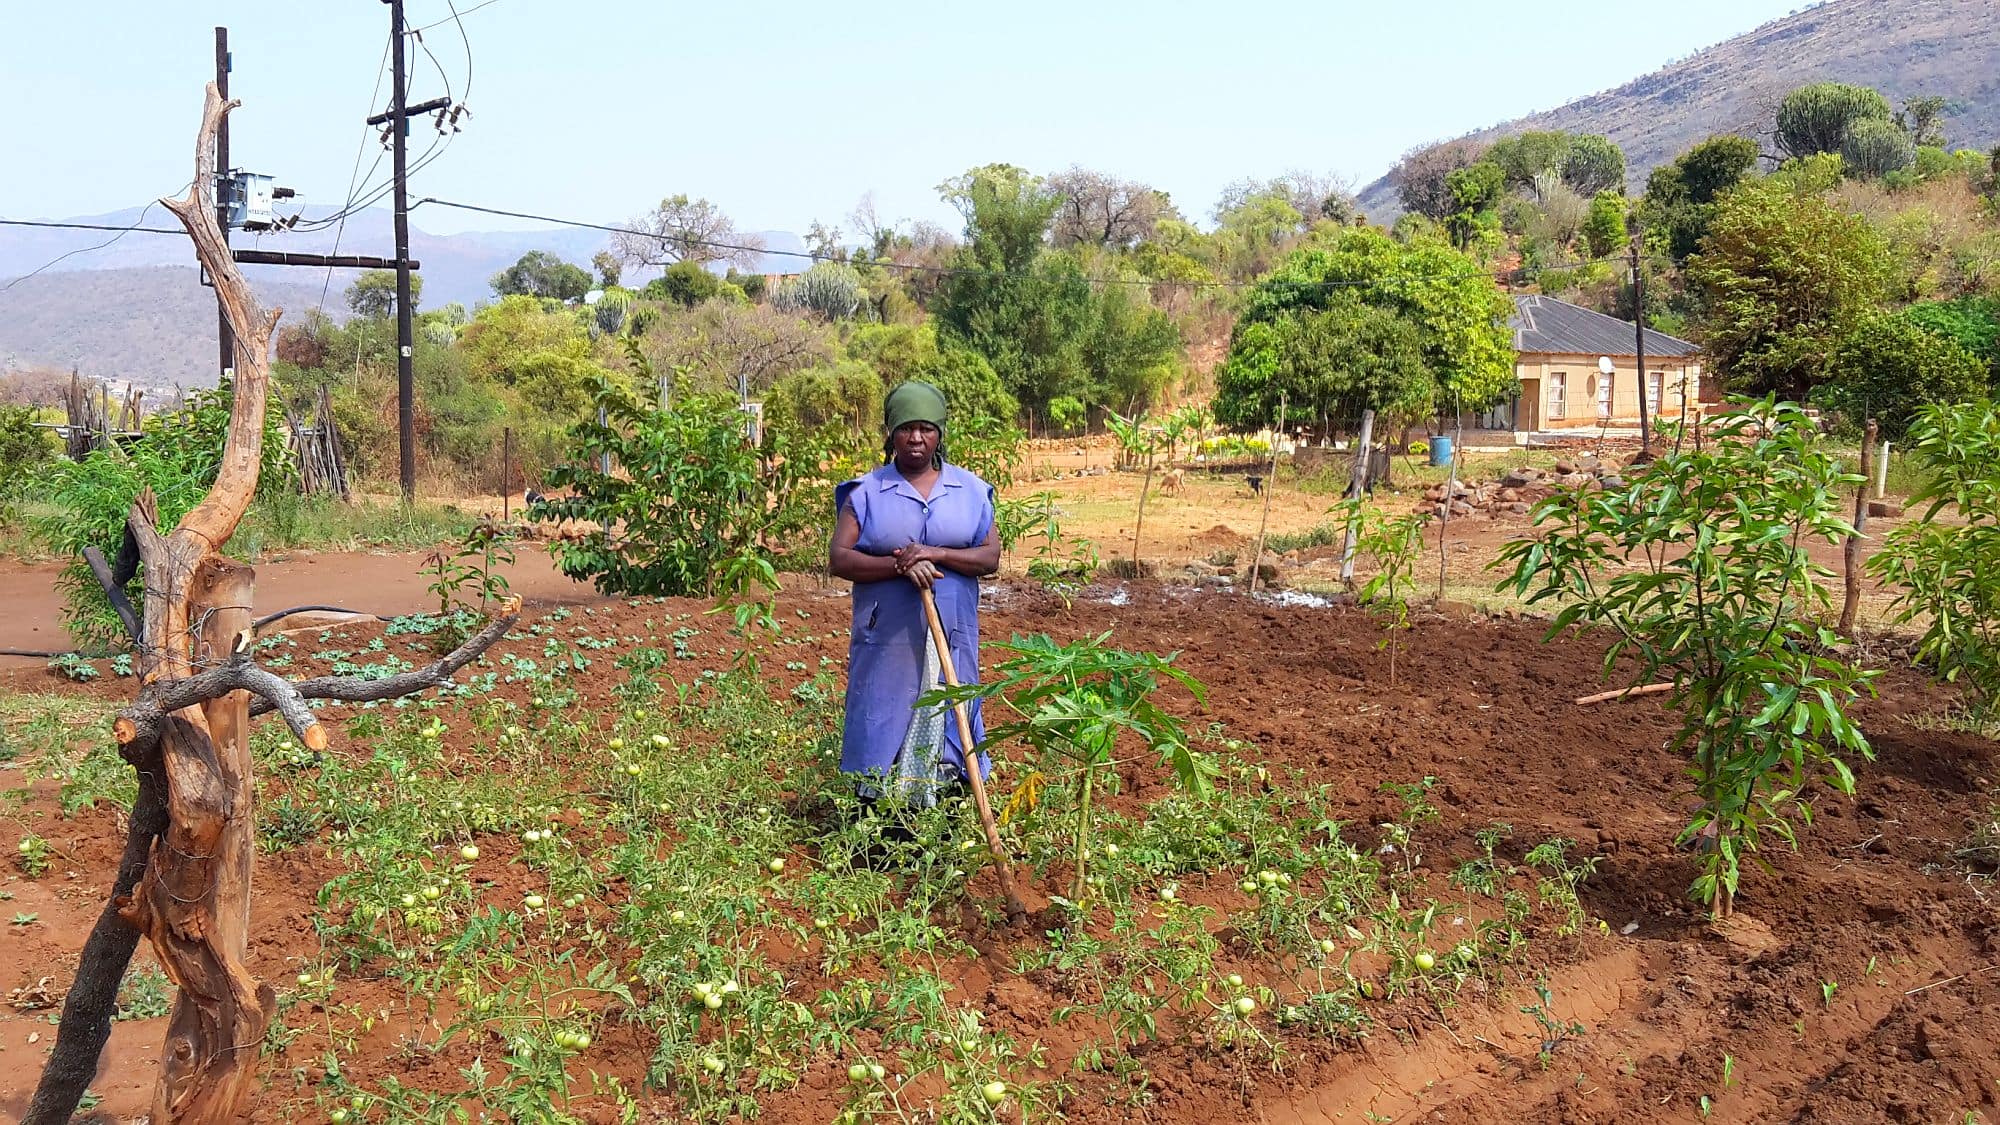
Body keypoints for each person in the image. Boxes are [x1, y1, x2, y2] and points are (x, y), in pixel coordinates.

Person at [829, 381, 1000, 808]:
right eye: (906, 428)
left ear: (941, 432)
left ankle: (945, 810)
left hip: (952, 627)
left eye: (927, 428)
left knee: (952, 708)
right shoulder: (866, 492)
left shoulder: (971, 491)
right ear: (891, 434)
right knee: (884, 711)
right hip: (888, 632)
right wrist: (900, 565)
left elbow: (990, 556)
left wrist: (934, 553)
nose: (917, 438)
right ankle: (876, 818)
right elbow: (840, 558)